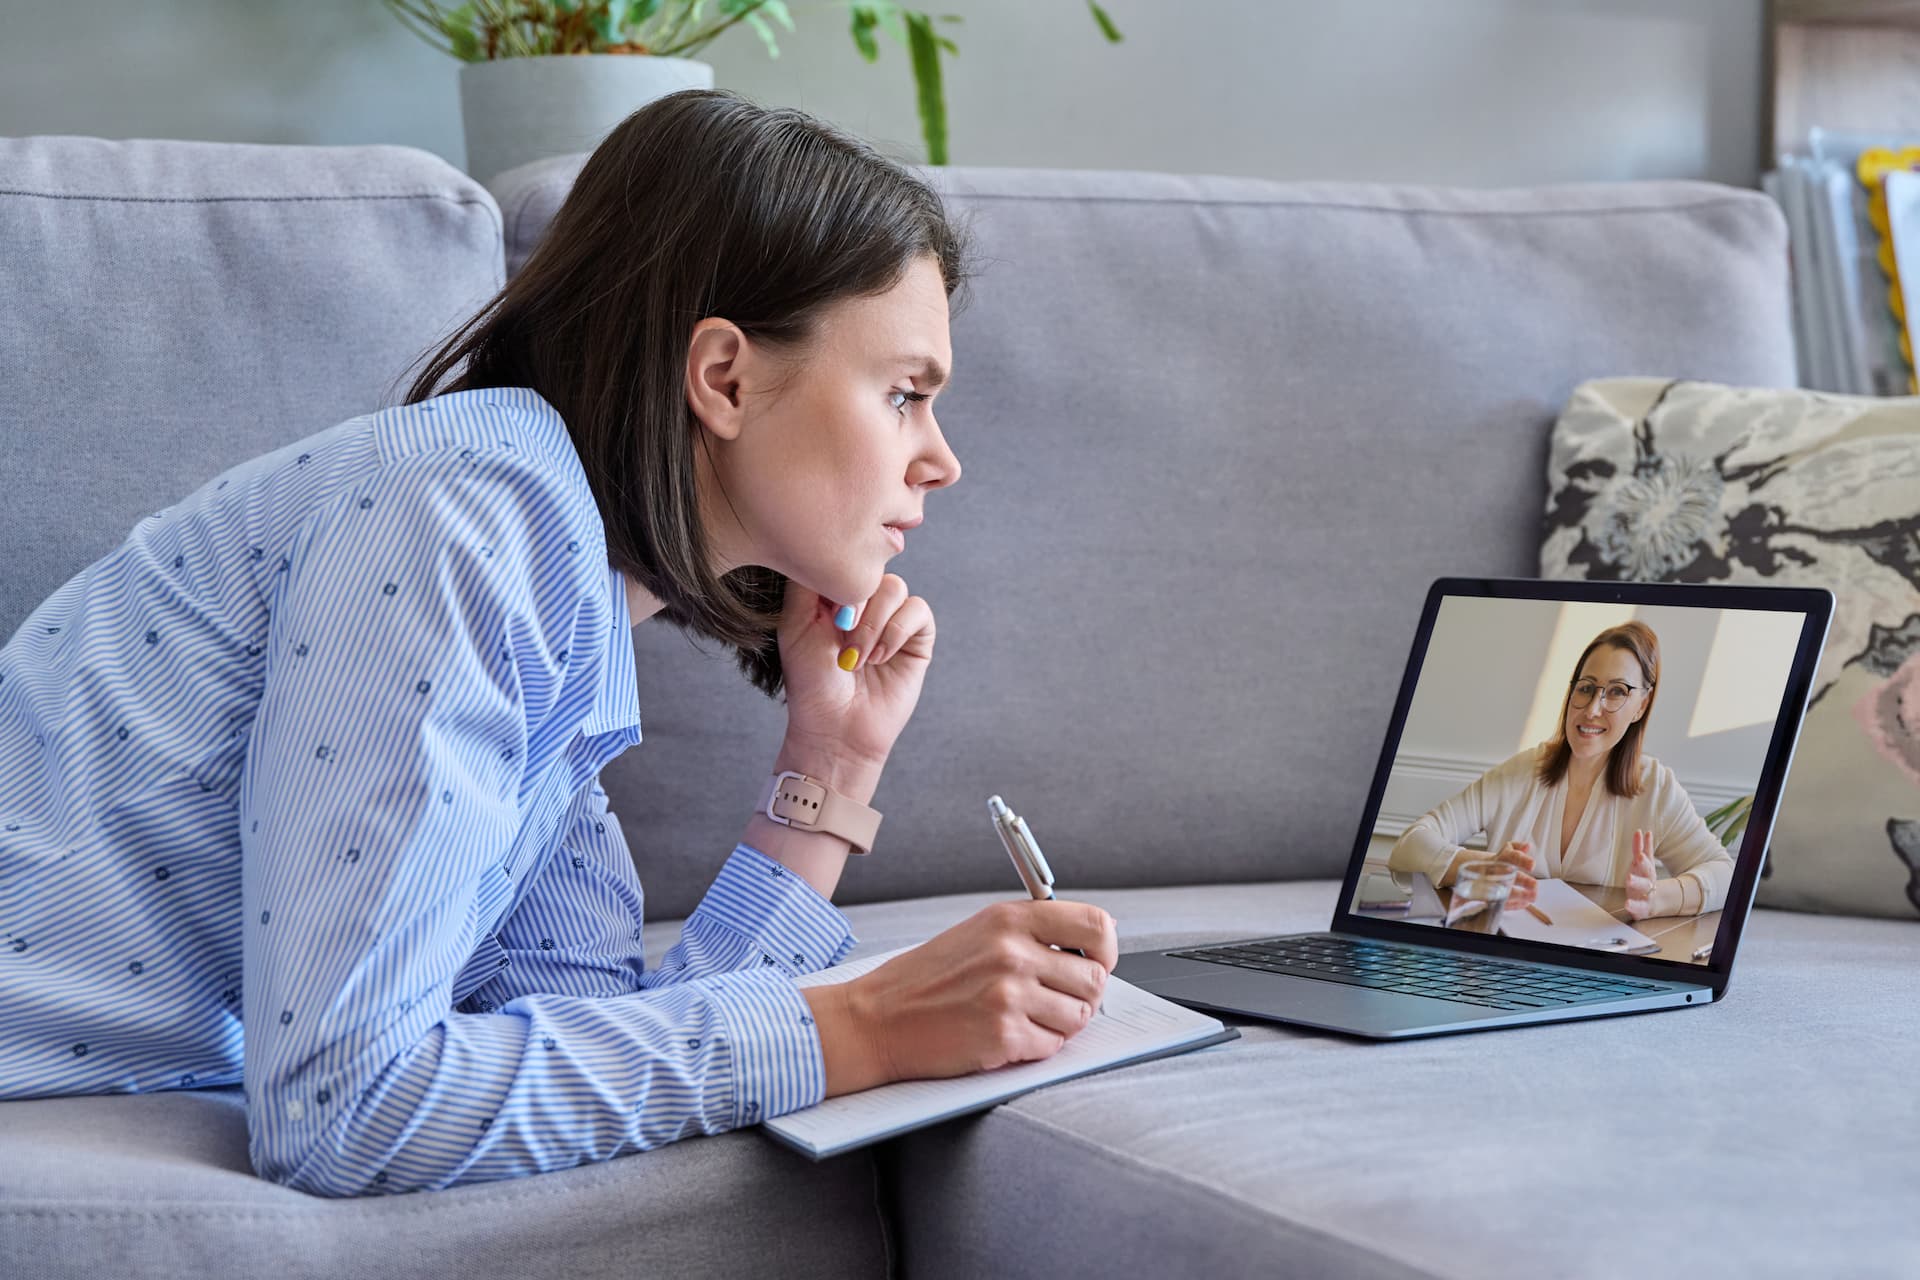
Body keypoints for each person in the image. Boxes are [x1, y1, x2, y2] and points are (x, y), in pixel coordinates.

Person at [0, 90, 1116, 1197]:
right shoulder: (464, 515)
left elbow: (594, 1043)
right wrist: (861, 1024)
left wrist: (829, 763)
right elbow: (347, 1106)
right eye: (905, 393)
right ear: (723, 376)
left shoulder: (562, 594)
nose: (941, 459)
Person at [1388, 620, 1734, 923]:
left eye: (1617, 692)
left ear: (1641, 705)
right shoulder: (1520, 773)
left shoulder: (1656, 787)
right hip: (1507, 961)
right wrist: (1481, 867)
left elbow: (1725, 874)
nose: (1593, 709)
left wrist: (1657, 897)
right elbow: (1408, 847)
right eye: (1586, 688)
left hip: (1597, 968)